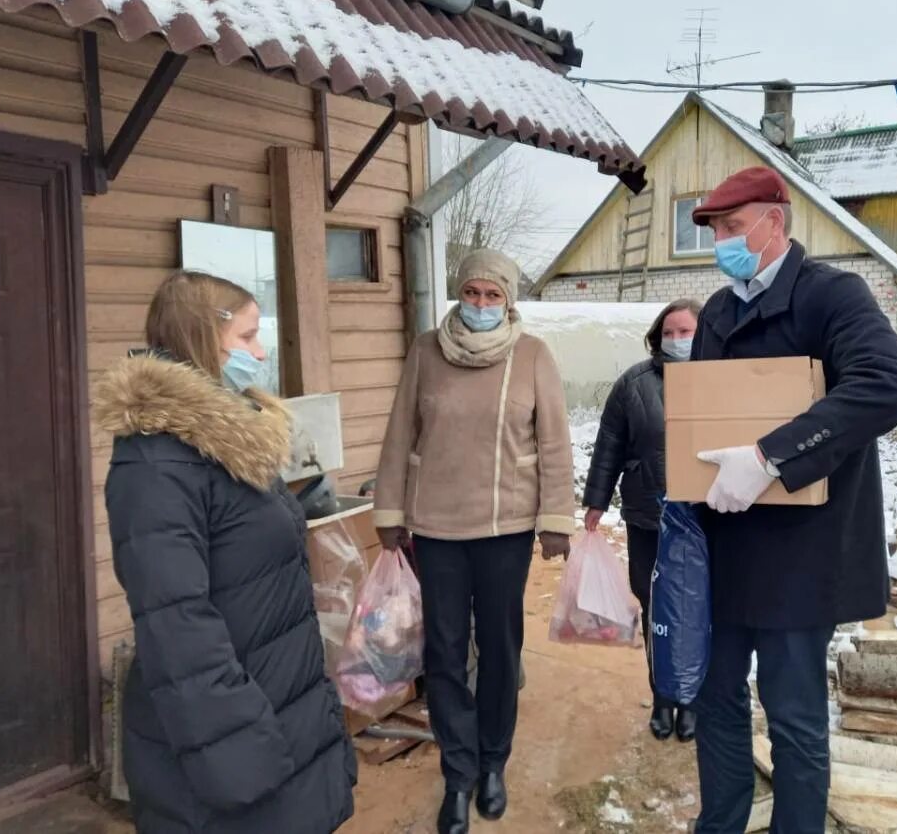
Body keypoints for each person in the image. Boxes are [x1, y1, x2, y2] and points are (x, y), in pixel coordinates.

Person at [687, 168, 897, 833]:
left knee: (793, 717)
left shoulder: (831, 297)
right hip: (724, 547)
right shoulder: (718, 312)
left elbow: (886, 384)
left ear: (773, 223)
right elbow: (699, 419)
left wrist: (769, 458)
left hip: (801, 558)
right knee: (716, 700)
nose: (722, 244)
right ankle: (721, 824)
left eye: (733, 229)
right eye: (717, 233)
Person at [95, 271, 356, 834]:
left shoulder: (229, 445)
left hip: (280, 712)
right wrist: (243, 755)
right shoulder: (156, 466)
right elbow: (178, 629)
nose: (261, 354)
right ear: (199, 339)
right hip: (229, 751)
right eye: (248, 337)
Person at [373, 249, 575, 834]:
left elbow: (556, 443)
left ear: (509, 300)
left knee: (500, 648)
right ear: (458, 295)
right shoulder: (426, 351)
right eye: (473, 293)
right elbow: (397, 432)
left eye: (494, 295)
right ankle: (457, 774)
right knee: (444, 651)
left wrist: (555, 519)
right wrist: (390, 510)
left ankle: (493, 763)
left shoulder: (533, 355)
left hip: (505, 529)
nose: (482, 304)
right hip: (435, 529)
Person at [582, 298, 702, 742]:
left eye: (686, 332)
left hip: (706, 520)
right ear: (657, 336)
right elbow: (609, 442)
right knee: (656, 609)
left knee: (697, 608)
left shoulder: (722, 377)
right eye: (669, 333)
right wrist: (596, 500)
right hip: (649, 516)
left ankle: (691, 699)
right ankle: (662, 697)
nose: (676, 341)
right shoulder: (634, 383)